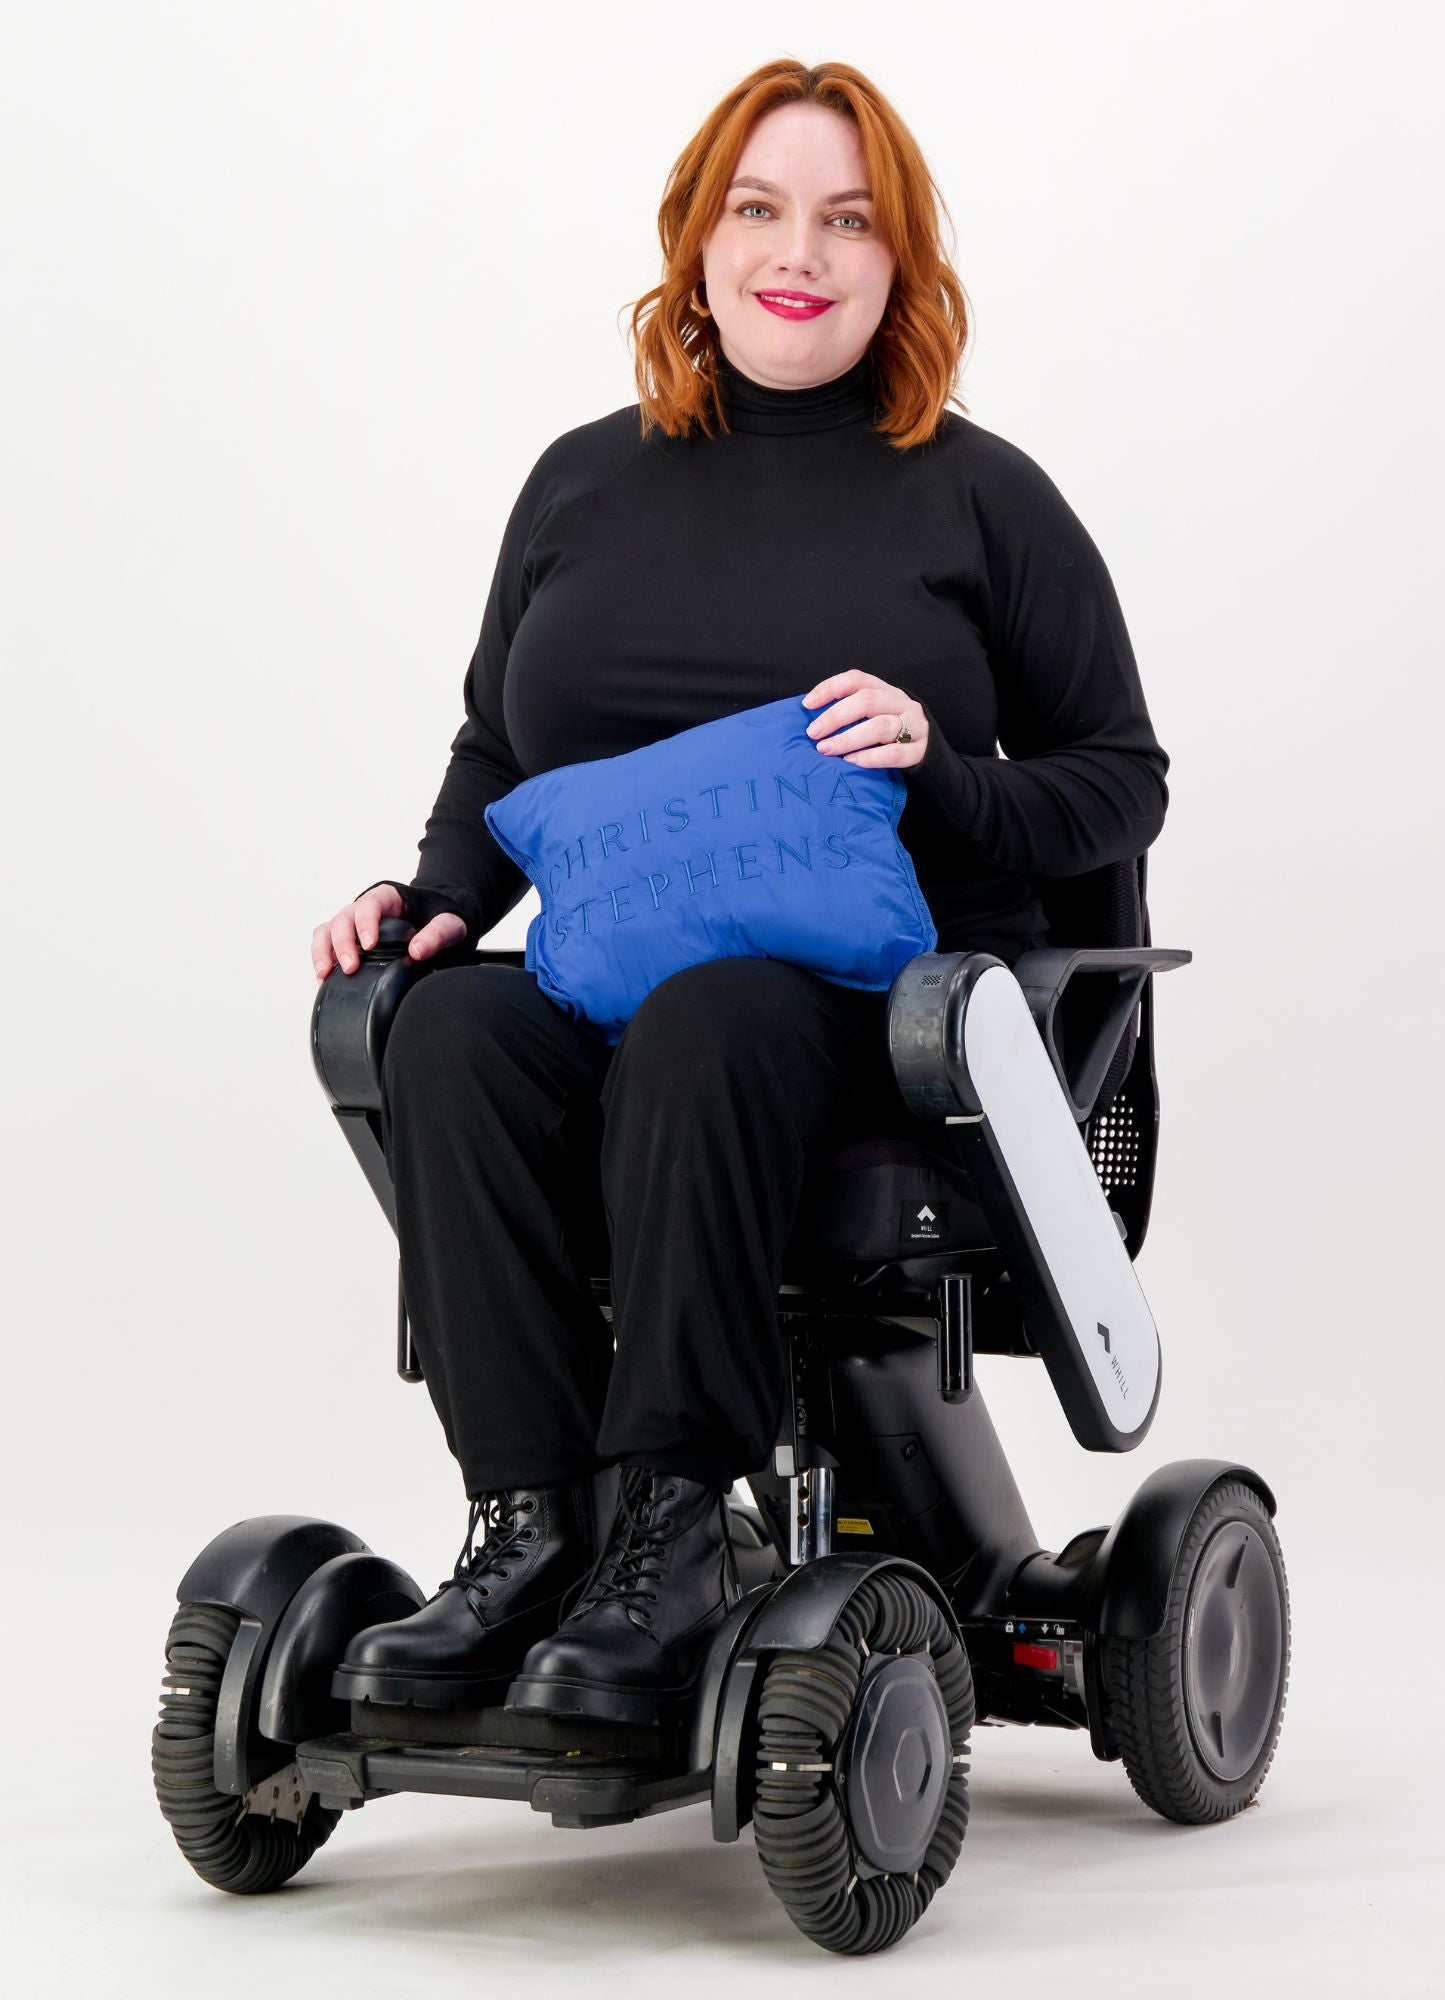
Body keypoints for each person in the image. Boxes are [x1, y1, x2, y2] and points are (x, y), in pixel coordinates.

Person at [310, 59, 1170, 1727]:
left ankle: (673, 1531)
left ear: (898, 259)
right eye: (759, 209)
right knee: (455, 1033)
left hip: (877, 1027)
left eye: (849, 220)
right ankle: (532, 1525)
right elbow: (500, 745)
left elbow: (1119, 780)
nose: (801, 251)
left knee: (711, 1013)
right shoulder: (580, 481)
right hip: (617, 989)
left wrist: (937, 769)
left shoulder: (981, 496)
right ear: (697, 245)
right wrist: (426, 897)